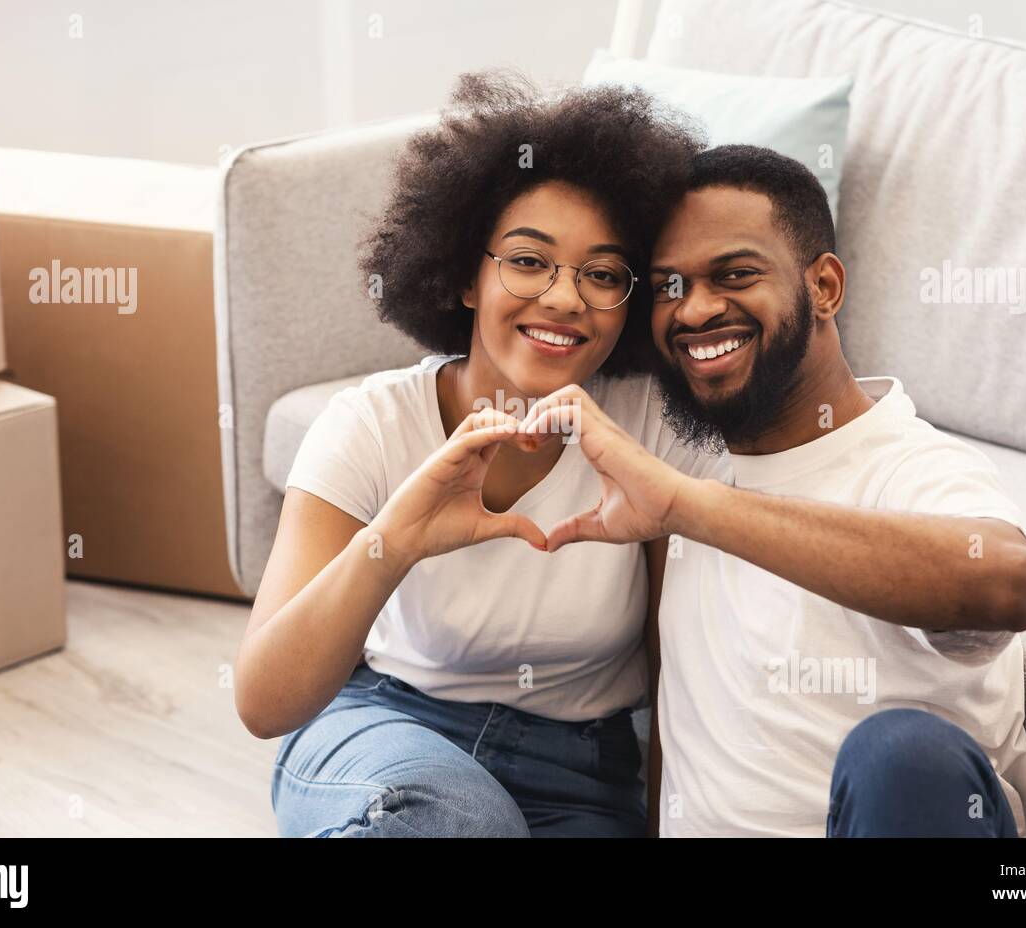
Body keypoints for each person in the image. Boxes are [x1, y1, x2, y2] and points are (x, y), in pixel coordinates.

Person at [234, 71, 717, 837]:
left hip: (583, 773)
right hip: (387, 732)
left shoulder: (647, 429)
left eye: (601, 274)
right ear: (465, 275)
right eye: (528, 261)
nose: (564, 298)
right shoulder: (371, 424)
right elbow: (264, 700)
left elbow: (678, 676)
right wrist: (394, 541)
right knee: (458, 820)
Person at [516, 144, 1026, 837]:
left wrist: (689, 507)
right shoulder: (680, 467)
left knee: (901, 757)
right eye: (669, 287)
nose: (696, 310)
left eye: (734, 274)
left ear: (824, 287)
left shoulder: (910, 466)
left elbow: (1006, 584)